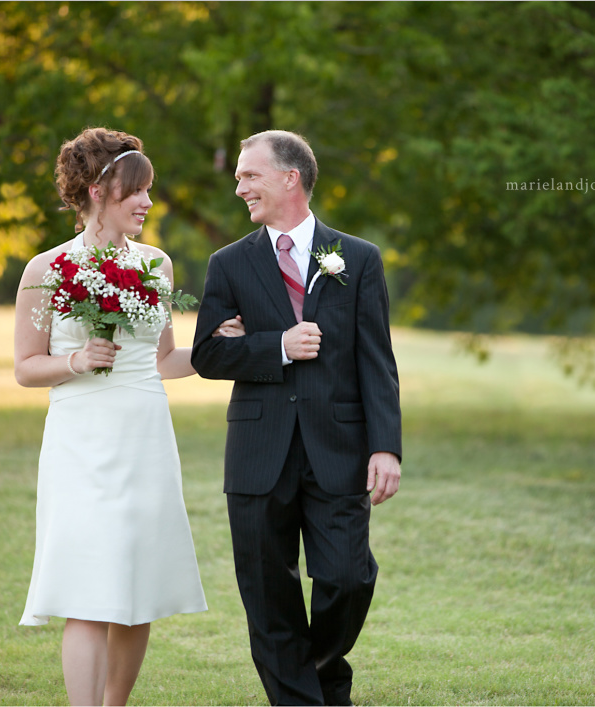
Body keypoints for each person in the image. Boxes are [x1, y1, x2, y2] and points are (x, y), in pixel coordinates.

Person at [13, 127, 243, 706]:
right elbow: (25, 366)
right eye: (136, 191)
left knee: (137, 587)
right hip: (81, 441)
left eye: (148, 191)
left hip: (145, 437)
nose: (146, 203)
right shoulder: (47, 269)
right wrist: (75, 359)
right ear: (96, 190)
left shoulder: (156, 265)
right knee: (88, 586)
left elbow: (163, 360)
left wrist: (226, 347)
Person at [191, 130, 403, 706]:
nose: (239, 187)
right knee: (266, 590)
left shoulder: (357, 259)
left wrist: (386, 447)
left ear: (291, 178)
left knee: (347, 578)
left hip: (340, 448)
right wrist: (275, 345)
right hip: (259, 451)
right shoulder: (229, 264)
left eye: (249, 175)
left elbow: (377, 360)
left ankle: (322, 668)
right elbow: (208, 354)